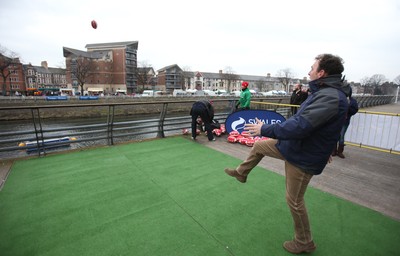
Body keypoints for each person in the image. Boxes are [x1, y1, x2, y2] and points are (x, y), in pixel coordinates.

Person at [224, 53, 351, 254]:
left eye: (312, 67)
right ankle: (242, 173)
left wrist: (264, 129)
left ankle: (304, 241)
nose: (309, 71)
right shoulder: (325, 93)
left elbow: (301, 125)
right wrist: (327, 148)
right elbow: (324, 126)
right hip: (295, 146)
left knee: (294, 201)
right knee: (258, 147)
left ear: (321, 72)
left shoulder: (330, 96)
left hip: (303, 156)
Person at [332, 89, 359, 158]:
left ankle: (339, 151)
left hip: (344, 121)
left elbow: (355, 109)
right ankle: (334, 150)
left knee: (341, 136)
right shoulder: (341, 99)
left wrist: (348, 110)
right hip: (337, 120)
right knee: (335, 135)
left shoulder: (351, 101)